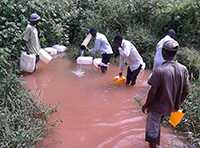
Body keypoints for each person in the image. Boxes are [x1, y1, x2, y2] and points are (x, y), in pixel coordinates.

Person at [142, 40, 190, 148]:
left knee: (152, 134)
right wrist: (178, 103)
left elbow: (152, 91)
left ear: (164, 53)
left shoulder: (159, 70)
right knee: (157, 125)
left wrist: (146, 105)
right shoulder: (183, 69)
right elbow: (186, 90)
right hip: (171, 106)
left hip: (157, 107)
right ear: (175, 53)